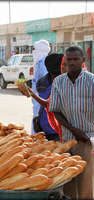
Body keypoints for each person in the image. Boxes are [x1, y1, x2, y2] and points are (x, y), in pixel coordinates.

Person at [49, 46, 94, 199]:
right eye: (69, 59)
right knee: (68, 184)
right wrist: (74, 130)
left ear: (83, 60)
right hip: (68, 140)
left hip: (86, 140)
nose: (72, 62)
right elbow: (55, 110)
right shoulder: (58, 82)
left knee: (85, 184)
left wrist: (86, 135)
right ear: (66, 61)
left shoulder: (92, 81)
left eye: (76, 59)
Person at [31, 39, 50, 133]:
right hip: (37, 96)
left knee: (38, 117)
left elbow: (46, 79)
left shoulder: (42, 62)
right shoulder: (40, 62)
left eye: (35, 49)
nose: (34, 51)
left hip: (41, 96)